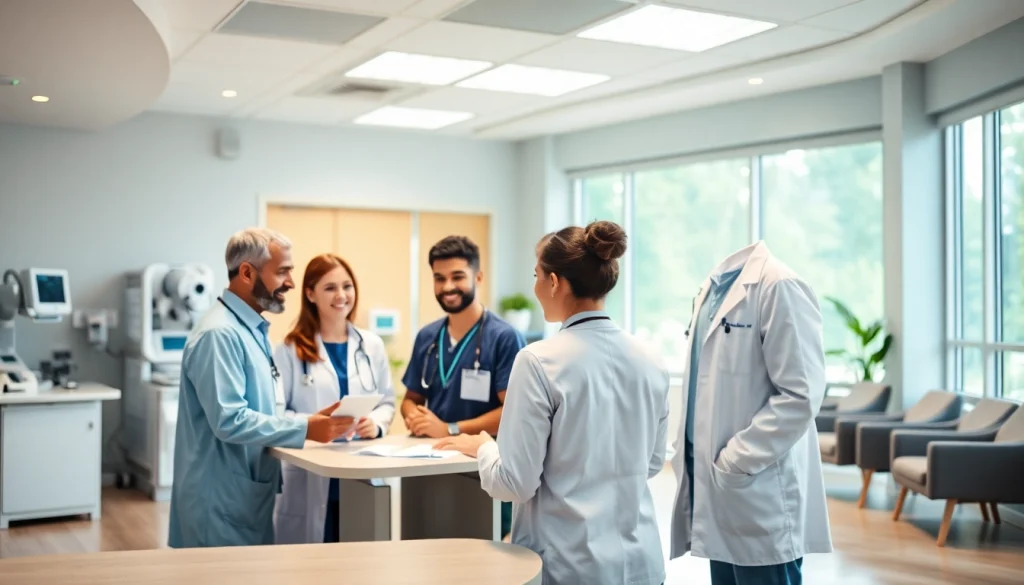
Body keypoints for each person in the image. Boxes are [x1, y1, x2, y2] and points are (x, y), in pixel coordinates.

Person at [436, 221, 670, 585]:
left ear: (555, 282)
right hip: (642, 563)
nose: (534, 287)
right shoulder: (650, 357)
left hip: (571, 565)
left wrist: (484, 448)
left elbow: (514, 483)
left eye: (537, 275)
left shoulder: (539, 361)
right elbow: (653, 462)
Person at [168, 228, 354, 549]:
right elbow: (230, 419)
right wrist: (306, 427)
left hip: (244, 495)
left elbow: (263, 406)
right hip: (220, 501)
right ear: (246, 272)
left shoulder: (251, 329)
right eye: (282, 271)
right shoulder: (219, 335)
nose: (291, 282)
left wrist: (312, 421)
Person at [667, 240, 833, 585]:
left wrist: (736, 459)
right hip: (718, 484)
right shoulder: (711, 290)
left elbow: (801, 395)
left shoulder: (779, 286)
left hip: (756, 484)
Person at [400, 235, 525, 539]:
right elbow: (411, 398)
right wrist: (414, 416)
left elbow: (514, 411)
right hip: (431, 463)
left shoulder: (503, 337)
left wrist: (451, 428)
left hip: (482, 466)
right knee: (427, 541)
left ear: (478, 276)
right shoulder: (427, 337)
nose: (447, 287)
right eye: (439, 278)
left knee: (480, 553)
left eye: (457, 276)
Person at [272, 254, 396, 544]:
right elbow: (277, 412)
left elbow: (387, 402)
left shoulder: (371, 345)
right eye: (330, 288)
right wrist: (314, 424)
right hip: (311, 469)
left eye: (347, 286)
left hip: (360, 466)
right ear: (310, 293)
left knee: (359, 556)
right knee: (313, 562)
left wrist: (375, 424)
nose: (341, 295)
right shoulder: (290, 349)